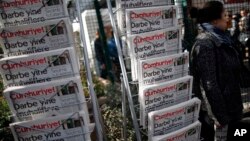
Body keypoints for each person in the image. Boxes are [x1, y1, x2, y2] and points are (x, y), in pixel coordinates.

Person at [190, 1, 250, 141]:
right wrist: (220, 117)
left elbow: (236, 69)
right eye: (225, 15)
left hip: (233, 108)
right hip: (219, 116)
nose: (228, 17)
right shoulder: (205, 44)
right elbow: (209, 86)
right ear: (215, 20)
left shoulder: (223, 38)